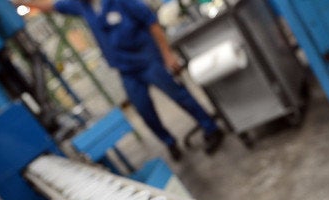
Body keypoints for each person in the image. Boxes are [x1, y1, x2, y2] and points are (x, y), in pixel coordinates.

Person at [20, 0, 224, 160]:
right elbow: (52, 6)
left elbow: (151, 22)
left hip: (148, 60)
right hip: (126, 70)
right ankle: (169, 142)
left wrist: (167, 55)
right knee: (144, 109)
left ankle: (210, 128)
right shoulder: (82, 6)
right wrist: (22, 3)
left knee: (179, 96)